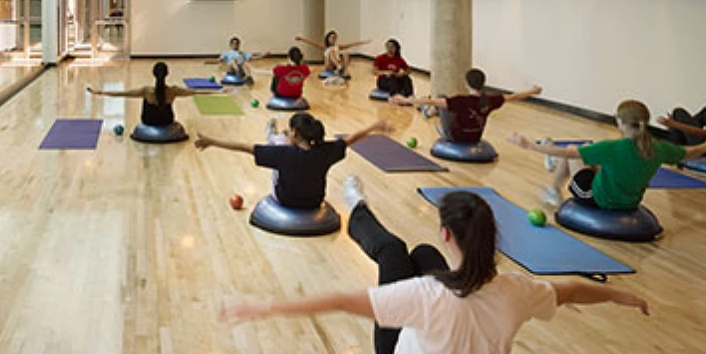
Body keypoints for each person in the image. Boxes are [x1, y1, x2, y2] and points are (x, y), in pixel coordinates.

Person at [221, 178, 649, 354]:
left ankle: (358, 205)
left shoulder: (424, 298)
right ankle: (361, 207)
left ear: (450, 233)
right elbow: (572, 289)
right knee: (421, 253)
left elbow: (339, 301)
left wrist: (266, 307)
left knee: (391, 252)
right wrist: (620, 295)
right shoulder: (516, 289)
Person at [509, 100, 706, 207]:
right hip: (630, 202)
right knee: (591, 161)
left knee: (572, 151)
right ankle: (554, 169)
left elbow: (566, 152)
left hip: (599, 199)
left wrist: (528, 145)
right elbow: (689, 153)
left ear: (619, 122)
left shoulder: (612, 147)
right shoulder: (658, 147)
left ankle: (554, 189)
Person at [194, 113, 391, 210]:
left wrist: (212, 142)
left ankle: (273, 136)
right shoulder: (326, 151)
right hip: (315, 201)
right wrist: (374, 126)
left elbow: (244, 147)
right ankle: (275, 137)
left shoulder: (282, 154)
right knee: (279, 152)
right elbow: (350, 139)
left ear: (295, 133)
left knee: (275, 160)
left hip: (286, 200)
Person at [393, 68, 541, 142]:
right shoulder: (491, 99)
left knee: (440, 99)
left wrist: (405, 100)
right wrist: (532, 91)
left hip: (456, 137)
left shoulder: (461, 100)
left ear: (467, 83)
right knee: (445, 105)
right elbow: (513, 96)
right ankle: (428, 111)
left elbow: (430, 101)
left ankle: (427, 113)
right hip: (475, 137)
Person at [86, 62, 224, 126]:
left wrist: (100, 92)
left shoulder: (146, 91)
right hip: (166, 121)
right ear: (167, 74)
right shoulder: (174, 91)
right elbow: (196, 92)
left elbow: (123, 94)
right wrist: (218, 90)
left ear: (153, 74)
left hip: (149, 121)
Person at [295, 30, 369, 80]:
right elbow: (313, 43)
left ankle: (344, 70)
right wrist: (302, 39)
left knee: (345, 54)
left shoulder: (338, 47)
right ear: (328, 39)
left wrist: (363, 42)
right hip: (329, 65)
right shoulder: (325, 47)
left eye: (334, 38)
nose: (333, 39)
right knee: (331, 51)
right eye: (331, 38)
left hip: (337, 63)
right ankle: (339, 66)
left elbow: (351, 45)